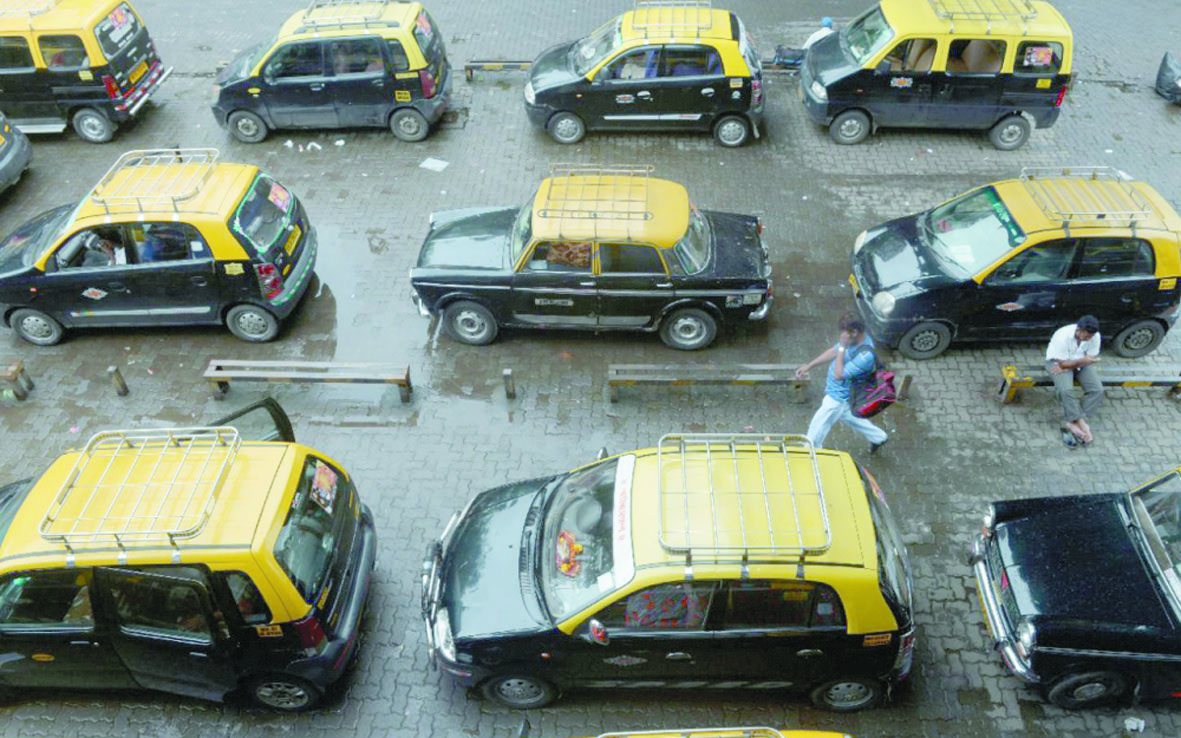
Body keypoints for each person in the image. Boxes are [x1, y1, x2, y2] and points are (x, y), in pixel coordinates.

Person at [796, 314, 889, 452]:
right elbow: (833, 352)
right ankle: (879, 437)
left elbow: (839, 375)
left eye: (845, 333)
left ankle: (810, 450)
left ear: (855, 332)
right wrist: (810, 365)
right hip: (841, 395)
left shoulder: (865, 356)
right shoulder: (852, 339)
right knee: (848, 416)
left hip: (838, 397)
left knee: (819, 424)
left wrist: (842, 348)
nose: (842, 337)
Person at [1046, 315, 1103, 446]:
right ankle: (1081, 423)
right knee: (1066, 390)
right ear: (1079, 330)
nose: (1089, 339)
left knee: (1097, 390)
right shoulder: (1062, 336)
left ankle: (1072, 421)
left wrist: (1083, 362)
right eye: (1086, 336)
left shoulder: (1095, 336)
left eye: (1091, 337)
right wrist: (1082, 361)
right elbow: (1062, 364)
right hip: (1057, 363)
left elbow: (1091, 356)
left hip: (1080, 363)